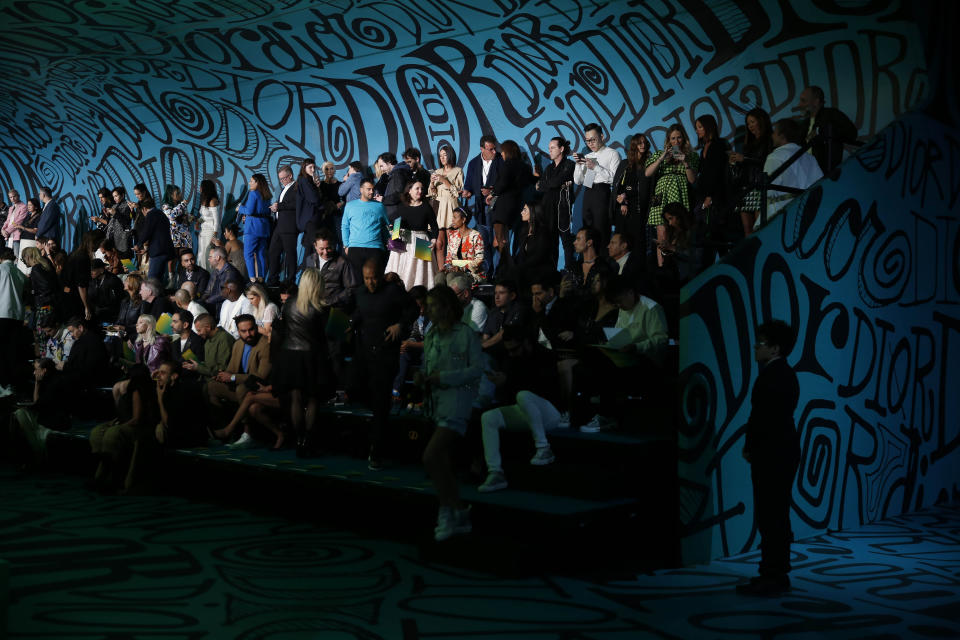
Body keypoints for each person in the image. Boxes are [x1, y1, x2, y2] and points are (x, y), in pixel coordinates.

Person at [737, 320, 800, 596]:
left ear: (775, 348)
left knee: (770, 514)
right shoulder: (784, 374)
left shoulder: (773, 377)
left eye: (761, 343)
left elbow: (763, 419)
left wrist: (752, 445)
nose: (755, 346)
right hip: (780, 452)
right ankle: (775, 573)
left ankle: (772, 575)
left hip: (773, 453)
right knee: (775, 513)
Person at [417, 285, 483, 541]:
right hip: (436, 403)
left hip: (458, 403)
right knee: (441, 461)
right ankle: (456, 510)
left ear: (446, 306)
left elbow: (476, 370)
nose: (428, 309)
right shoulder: (431, 334)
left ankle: (450, 509)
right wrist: (423, 378)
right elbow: (428, 365)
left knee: (431, 456)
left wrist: (444, 377)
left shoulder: (466, 334)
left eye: (433, 305)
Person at [574, 276, 668, 433]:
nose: (619, 305)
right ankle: (578, 414)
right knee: (586, 363)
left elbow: (661, 340)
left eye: (619, 301)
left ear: (630, 293)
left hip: (645, 361)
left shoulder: (651, 308)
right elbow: (619, 333)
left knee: (606, 371)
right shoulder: (623, 309)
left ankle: (607, 416)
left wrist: (637, 347)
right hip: (625, 357)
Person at [351, 259, 419, 470]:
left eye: (374, 278)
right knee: (354, 390)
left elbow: (413, 310)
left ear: (381, 275)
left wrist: (400, 324)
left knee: (380, 404)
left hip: (385, 354)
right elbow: (360, 313)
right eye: (367, 278)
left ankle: (377, 451)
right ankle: (381, 431)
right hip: (364, 353)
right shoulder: (360, 292)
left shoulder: (393, 292)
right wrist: (350, 323)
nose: (370, 282)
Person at [478, 324, 562, 492]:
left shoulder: (546, 356)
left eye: (514, 349)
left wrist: (508, 382)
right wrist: (502, 383)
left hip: (550, 414)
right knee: (488, 418)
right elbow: (511, 395)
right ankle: (495, 473)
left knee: (523, 395)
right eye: (508, 349)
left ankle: (544, 448)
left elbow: (543, 390)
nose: (511, 353)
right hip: (524, 410)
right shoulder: (511, 359)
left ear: (527, 343)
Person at [273, 267, 331, 455]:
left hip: (290, 355)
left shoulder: (289, 304)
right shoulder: (321, 307)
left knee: (296, 398)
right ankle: (308, 440)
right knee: (313, 398)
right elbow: (327, 336)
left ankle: (299, 439)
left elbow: (282, 330)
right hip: (311, 355)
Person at [89, 364, 159, 493]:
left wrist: (120, 425)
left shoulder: (138, 388)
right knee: (98, 431)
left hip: (141, 428)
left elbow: (137, 419)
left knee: (112, 433)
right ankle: (102, 471)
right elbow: (121, 414)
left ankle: (107, 475)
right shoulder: (124, 388)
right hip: (129, 424)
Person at [645, 124, 698, 267]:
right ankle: (662, 270)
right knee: (661, 234)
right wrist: (662, 158)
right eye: (673, 138)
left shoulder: (692, 156)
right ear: (668, 140)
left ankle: (675, 268)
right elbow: (648, 173)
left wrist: (685, 161)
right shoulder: (658, 154)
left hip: (679, 194)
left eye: (679, 137)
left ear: (684, 138)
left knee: (678, 232)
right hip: (661, 194)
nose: (676, 141)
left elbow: (692, 180)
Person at [760, 119, 824, 226]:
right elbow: (820, 183)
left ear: (782, 135)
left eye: (774, 132)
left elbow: (769, 192)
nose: (772, 135)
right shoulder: (809, 157)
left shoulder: (774, 157)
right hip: (811, 211)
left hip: (782, 216)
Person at [206, 314, 272, 415]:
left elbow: (261, 376)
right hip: (239, 383)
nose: (248, 334)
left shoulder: (265, 345)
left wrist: (232, 377)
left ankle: (247, 428)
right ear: (238, 331)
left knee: (241, 389)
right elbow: (231, 369)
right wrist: (222, 375)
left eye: (251, 329)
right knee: (211, 386)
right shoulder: (238, 344)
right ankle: (222, 419)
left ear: (256, 327)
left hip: (257, 386)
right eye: (243, 331)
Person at [573, 123, 621, 247]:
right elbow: (578, 181)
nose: (590, 143)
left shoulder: (612, 154)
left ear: (602, 136)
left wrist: (596, 167)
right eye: (587, 141)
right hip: (588, 193)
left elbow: (615, 180)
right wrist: (578, 164)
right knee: (587, 230)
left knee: (601, 230)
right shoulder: (588, 156)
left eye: (593, 139)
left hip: (603, 193)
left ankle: (603, 262)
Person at [385, 180, 439, 290]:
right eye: (417, 188)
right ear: (409, 191)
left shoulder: (426, 207)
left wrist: (433, 240)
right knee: (400, 271)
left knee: (422, 277)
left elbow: (434, 227)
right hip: (405, 240)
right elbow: (396, 223)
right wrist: (394, 237)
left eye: (422, 189)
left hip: (422, 241)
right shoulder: (402, 206)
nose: (420, 191)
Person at [485, 140, 530, 271]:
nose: (501, 154)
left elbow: (502, 183)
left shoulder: (508, 165)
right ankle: (505, 267)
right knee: (499, 241)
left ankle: (509, 269)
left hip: (503, 207)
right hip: (515, 205)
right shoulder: (524, 166)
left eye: (503, 152)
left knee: (500, 240)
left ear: (508, 152)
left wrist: (491, 194)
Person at [729, 108, 773, 236]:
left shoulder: (770, 139)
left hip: (759, 186)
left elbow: (767, 161)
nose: (750, 126)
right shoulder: (749, 143)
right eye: (748, 123)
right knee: (747, 229)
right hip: (746, 187)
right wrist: (734, 162)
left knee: (759, 226)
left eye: (752, 122)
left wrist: (745, 159)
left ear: (761, 120)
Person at [610, 133, 654, 265]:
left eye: (645, 142)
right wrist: (623, 200)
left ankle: (636, 274)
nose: (643, 145)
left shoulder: (649, 164)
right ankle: (618, 272)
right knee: (620, 242)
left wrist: (626, 196)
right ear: (634, 145)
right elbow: (619, 186)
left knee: (637, 243)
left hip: (638, 208)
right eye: (640, 142)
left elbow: (645, 188)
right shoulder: (625, 163)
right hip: (623, 210)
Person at [462, 135, 502, 276]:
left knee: (496, 242)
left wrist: (491, 190)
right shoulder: (473, 163)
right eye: (490, 149)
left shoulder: (500, 161)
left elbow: (504, 183)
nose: (494, 152)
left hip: (496, 208)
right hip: (480, 209)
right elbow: (468, 184)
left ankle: (497, 273)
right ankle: (487, 273)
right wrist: (467, 192)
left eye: (494, 149)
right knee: (484, 243)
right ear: (482, 149)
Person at [796, 85, 858, 174]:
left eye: (803, 101)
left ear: (816, 102)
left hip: (825, 173)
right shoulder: (804, 124)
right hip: (807, 174)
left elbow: (852, 133)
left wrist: (820, 132)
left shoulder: (831, 114)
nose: (799, 105)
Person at [535, 137, 576, 269]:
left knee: (566, 242)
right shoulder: (549, 168)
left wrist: (546, 184)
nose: (550, 151)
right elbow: (541, 187)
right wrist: (548, 184)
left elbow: (554, 182)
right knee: (551, 243)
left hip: (562, 209)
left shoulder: (569, 165)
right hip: (548, 209)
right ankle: (551, 273)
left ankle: (569, 271)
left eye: (552, 148)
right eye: (549, 148)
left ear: (561, 149)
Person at [154, 360, 208, 449]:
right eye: (158, 372)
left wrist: (160, 398)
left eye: (163, 373)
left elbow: (168, 424)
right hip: (180, 436)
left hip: (189, 440)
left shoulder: (182, 392)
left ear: (174, 376)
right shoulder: (167, 389)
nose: (158, 376)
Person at [300, 228, 359, 308]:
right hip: (313, 307)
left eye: (328, 248)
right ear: (315, 246)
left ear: (333, 245)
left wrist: (331, 301)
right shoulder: (310, 260)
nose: (325, 252)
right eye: (322, 249)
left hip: (334, 307)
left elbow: (351, 289)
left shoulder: (342, 262)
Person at [341, 178, 390, 276]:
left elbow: (386, 227)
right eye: (368, 189)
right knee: (356, 282)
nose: (371, 192)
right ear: (361, 190)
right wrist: (346, 245)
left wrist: (389, 241)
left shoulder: (380, 206)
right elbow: (345, 226)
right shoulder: (350, 206)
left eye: (373, 189)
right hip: (355, 248)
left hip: (375, 248)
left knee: (375, 281)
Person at [427, 145, 463, 257]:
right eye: (440, 155)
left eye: (445, 155)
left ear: (450, 155)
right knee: (439, 243)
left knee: (452, 243)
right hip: (438, 207)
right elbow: (432, 193)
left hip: (450, 206)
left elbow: (457, 192)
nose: (442, 158)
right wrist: (432, 183)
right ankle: (441, 271)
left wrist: (444, 180)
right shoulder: (437, 171)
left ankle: (452, 270)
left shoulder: (458, 170)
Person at [267, 164, 298, 285]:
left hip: (289, 227)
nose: (282, 181)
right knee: (273, 252)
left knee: (290, 255)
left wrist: (278, 206)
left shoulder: (296, 187)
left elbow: (295, 204)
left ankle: (290, 281)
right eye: (280, 179)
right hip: (279, 226)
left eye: (284, 178)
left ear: (290, 175)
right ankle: (272, 279)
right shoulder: (285, 188)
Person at [237, 174, 272, 281]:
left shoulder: (253, 193)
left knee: (248, 254)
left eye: (252, 181)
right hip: (263, 227)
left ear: (257, 182)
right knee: (261, 253)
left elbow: (249, 211)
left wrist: (239, 208)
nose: (249, 183)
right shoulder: (267, 195)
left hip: (252, 228)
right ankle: (261, 278)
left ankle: (252, 279)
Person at [0, 247, 25, 394]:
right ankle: (11, 384)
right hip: (17, 316)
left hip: (2, 314)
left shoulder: (1, 270)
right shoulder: (19, 273)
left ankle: (3, 384)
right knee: (12, 352)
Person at [512, 202, 554, 289]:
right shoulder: (524, 231)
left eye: (524, 210)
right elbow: (521, 255)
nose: (521, 212)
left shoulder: (543, 232)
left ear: (533, 212)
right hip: (526, 270)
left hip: (539, 272)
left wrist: (520, 268)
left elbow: (540, 256)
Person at [182, 313, 234, 382]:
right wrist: (195, 365)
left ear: (208, 327)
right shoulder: (207, 340)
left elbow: (222, 368)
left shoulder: (224, 338)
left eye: (199, 330)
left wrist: (198, 368)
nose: (198, 333)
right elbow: (209, 365)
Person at [134, 196, 176, 281]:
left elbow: (147, 232)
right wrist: (147, 250)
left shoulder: (151, 215)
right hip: (166, 250)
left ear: (144, 209)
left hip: (158, 253)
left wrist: (138, 245)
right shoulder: (161, 214)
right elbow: (158, 235)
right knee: (159, 280)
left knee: (152, 280)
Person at [440, 208, 485, 285]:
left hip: (471, 273)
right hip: (454, 270)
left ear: (463, 219)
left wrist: (462, 268)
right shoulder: (452, 235)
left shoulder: (476, 236)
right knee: (439, 277)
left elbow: (479, 260)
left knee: (451, 277)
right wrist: (447, 267)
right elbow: (449, 257)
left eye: (455, 217)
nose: (452, 220)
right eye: (452, 217)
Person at [162, 185, 195, 280]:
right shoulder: (166, 206)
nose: (180, 195)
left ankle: (183, 278)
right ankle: (171, 279)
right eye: (177, 193)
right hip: (173, 237)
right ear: (171, 195)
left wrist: (189, 218)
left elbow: (186, 219)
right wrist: (183, 204)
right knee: (172, 259)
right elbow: (172, 215)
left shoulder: (181, 205)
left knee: (184, 258)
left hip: (184, 236)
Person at [21, 247, 59, 331]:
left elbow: (45, 286)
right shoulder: (45, 266)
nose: (23, 261)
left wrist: (34, 292)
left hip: (43, 306)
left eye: (23, 258)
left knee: (41, 334)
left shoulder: (36, 269)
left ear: (27, 257)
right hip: (50, 304)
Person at [202, 246, 243, 316]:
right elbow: (208, 291)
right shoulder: (215, 271)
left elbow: (224, 294)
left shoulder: (230, 273)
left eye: (210, 257)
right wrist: (201, 301)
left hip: (227, 308)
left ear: (217, 257)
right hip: (214, 307)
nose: (208, 259)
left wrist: (207, 302)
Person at [295, 158, 322, 251]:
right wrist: (317, 188)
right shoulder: (305, 180)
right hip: (310, 219)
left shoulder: (305, 180)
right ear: (304, 168)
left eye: (314, 167)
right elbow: (314, 199)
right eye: (310, 167)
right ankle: (311, 266)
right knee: (313, 249)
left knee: (309, 248)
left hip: (308, 220)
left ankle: (308, 266)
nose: (313, 170)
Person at [378, 152, 412, 221]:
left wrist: (383, 199)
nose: (381, 169)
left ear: (389, 162)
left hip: (397, 217)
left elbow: (399, 194)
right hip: (397, 215)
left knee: (398, 232)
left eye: (382, 166)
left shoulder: (398, 173)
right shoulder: (396, 173)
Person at [87, 258, 123, 324]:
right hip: (96, 314)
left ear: (101, 270)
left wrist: (101, 310)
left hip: (111, 317)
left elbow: (117, 302)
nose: (91, 272)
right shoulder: (92, 280)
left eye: (93, 270)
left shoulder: (113, 281)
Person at [197, 179, 221, 271]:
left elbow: (216, 219)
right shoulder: (204, 200)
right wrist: (198, 222)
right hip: (203, 230)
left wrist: (215, 234)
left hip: (211, 231)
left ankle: (209, 273)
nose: (200, 188)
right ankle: (202, 272)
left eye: (201, 186)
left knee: (208, 254)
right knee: (201, 253)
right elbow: (205, 216)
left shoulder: (212, 201)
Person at [114, 273, 145, 338]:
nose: (124, 282)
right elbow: (120, 319)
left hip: (135, 337)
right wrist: (115, 327)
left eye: (127, 281)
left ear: (133, 284)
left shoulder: (142, 302)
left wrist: (125, 328)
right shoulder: (124, 301)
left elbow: (142, 324)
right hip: (123, 335)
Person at [318, 160, 344, 234]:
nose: (329, 171)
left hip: (337, 215)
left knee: (339, 237)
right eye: (326, 169)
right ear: (323, 171)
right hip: (325, 216)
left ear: (334, 170)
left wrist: (340, 204)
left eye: (331, 168)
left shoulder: (340, 184)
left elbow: (344, 199)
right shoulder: (321, 185)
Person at [2, 189, 27, 256]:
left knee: (16, 257)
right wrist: (2, 230)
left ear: (18, 196)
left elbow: (18, 222)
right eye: (10, 197)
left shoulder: (23, 207)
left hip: (16, 235)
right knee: (8, 256)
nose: (13, 198)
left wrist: (6, 231)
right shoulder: (11, 208)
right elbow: (8, 221)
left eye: (14, 196)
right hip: (8, 236)